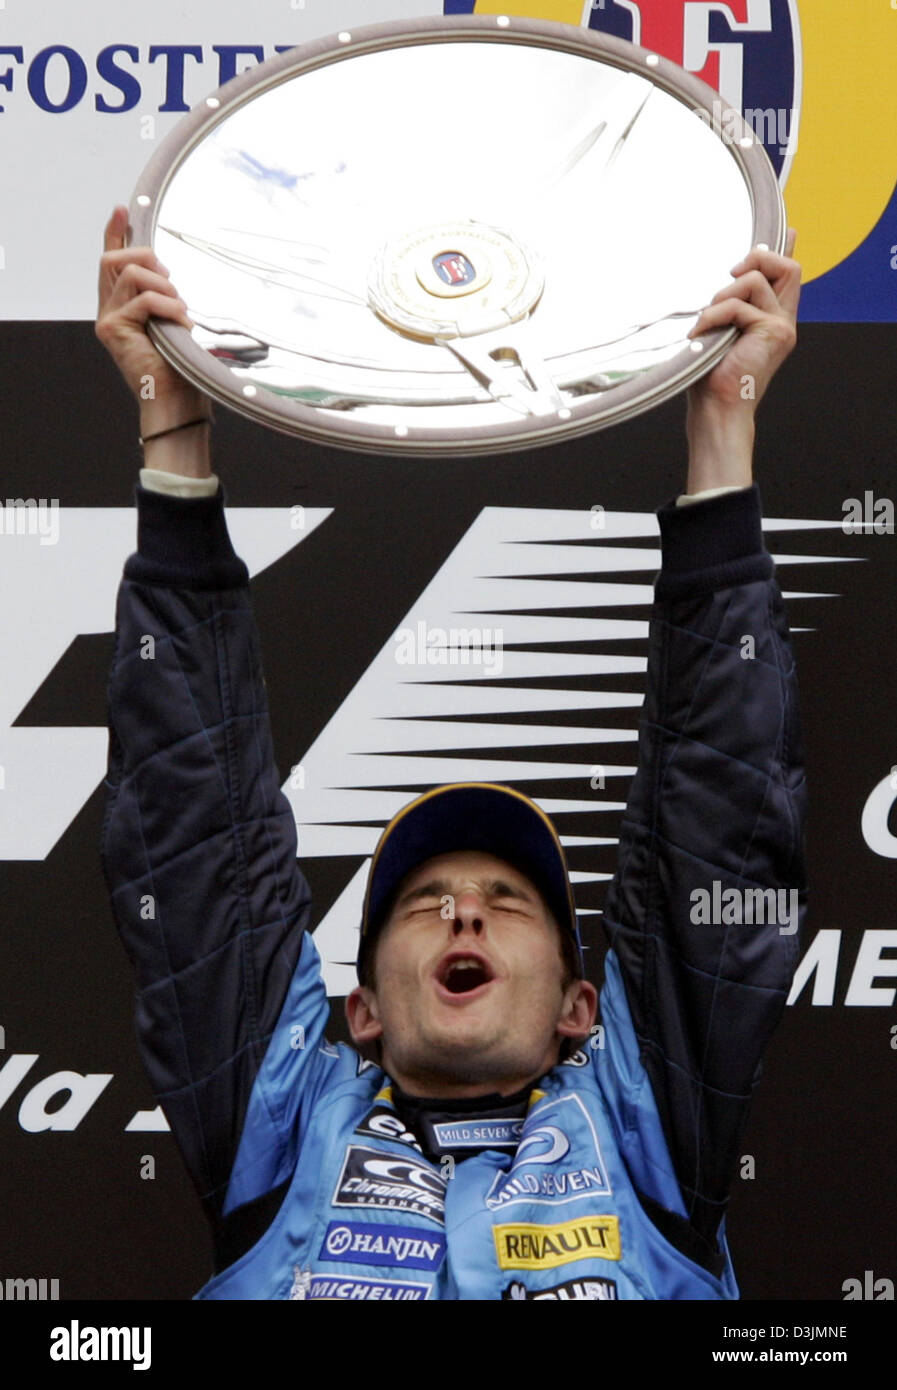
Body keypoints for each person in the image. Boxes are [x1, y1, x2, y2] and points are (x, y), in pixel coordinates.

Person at [96, 203, 806, 1300]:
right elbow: (198, 843)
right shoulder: (283, 1126)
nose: (462, 914)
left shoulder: (640, 1121)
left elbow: (720, 826)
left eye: (507, 903)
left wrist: (724, 423)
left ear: (580, 1008)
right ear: (363, 1011)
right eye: (423, 903)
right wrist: (174, 423)